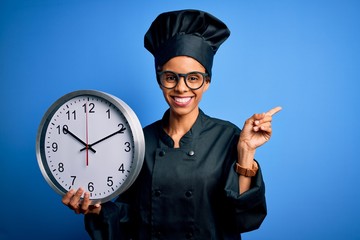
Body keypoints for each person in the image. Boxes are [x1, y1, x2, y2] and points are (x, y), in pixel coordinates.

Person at [62, 9, 281, 239]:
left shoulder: (227, 137)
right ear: (159, 80)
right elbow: (127, 216)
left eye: (193, 78)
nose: (181, 88)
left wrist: (246, 152)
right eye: (170, 77)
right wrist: (96, 209)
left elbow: (244, 220)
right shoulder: (139, 141)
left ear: (207, 82)